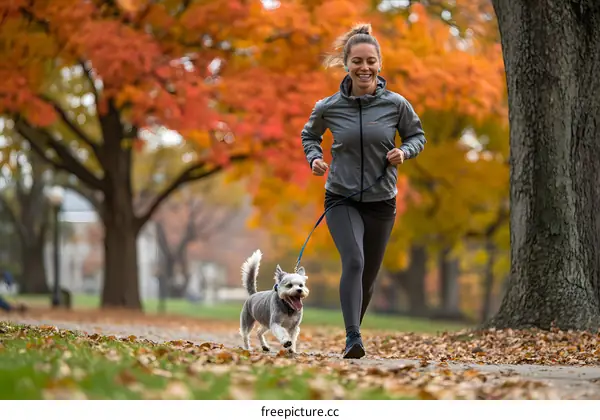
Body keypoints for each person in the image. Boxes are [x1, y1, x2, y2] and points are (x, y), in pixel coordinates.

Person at [300, 23, 426, 359]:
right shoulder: (328, 107)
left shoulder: (396, 105)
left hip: (381, 201)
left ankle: (354, 330)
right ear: (346, 65)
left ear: (380, 64)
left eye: (370, 60)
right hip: (340, 197)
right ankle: (353, 338)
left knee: (368, 276)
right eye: (357, 61)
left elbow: (417, 136)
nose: (364, 67)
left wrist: (405, 152)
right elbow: (309, 136)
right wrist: (314, 158)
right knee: (353, 261)